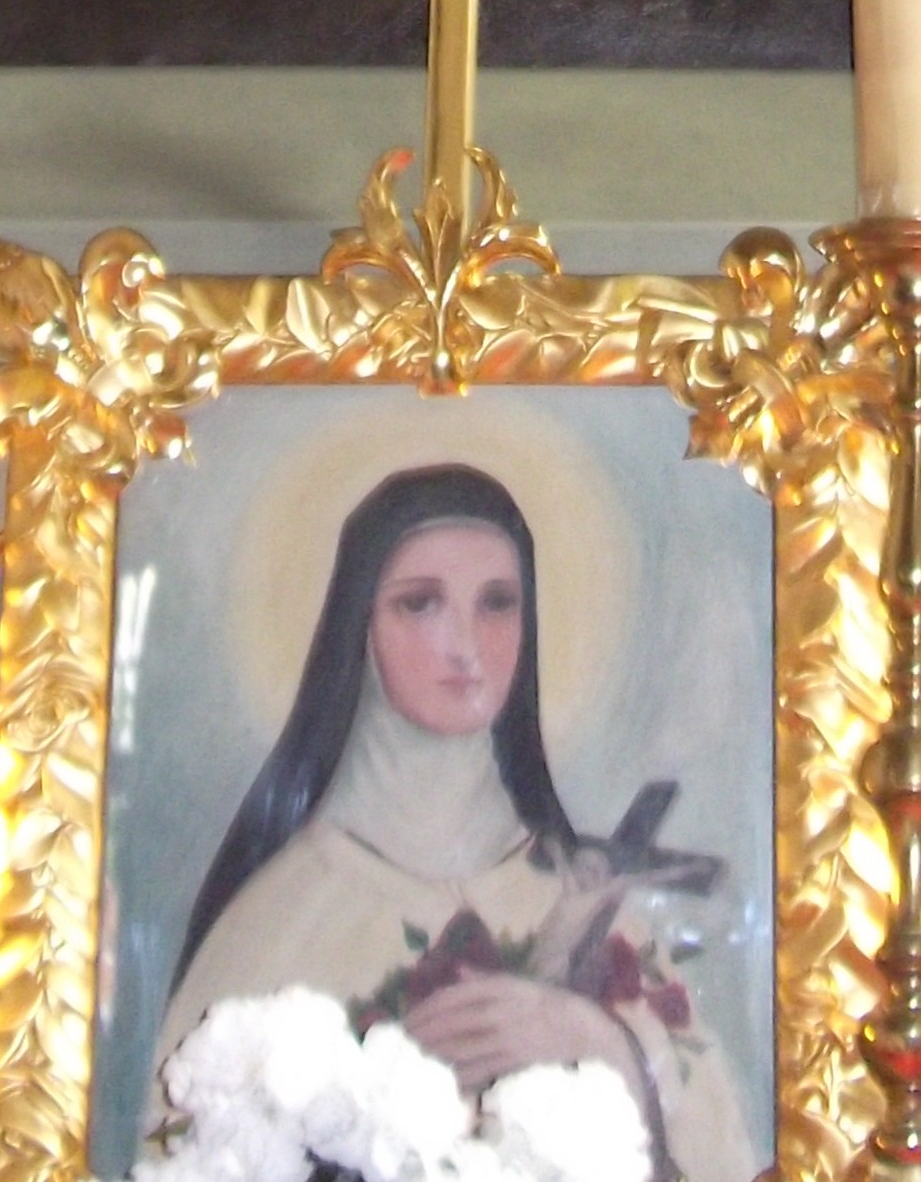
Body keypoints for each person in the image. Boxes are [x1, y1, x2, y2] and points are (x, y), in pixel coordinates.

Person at [155, 465, 755, 1182]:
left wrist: (605, 1048)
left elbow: (727, 1162)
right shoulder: (278, 921)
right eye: (420, 604)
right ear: (360, 627)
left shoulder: (589, 906)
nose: (465, 644)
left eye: (497, 604)